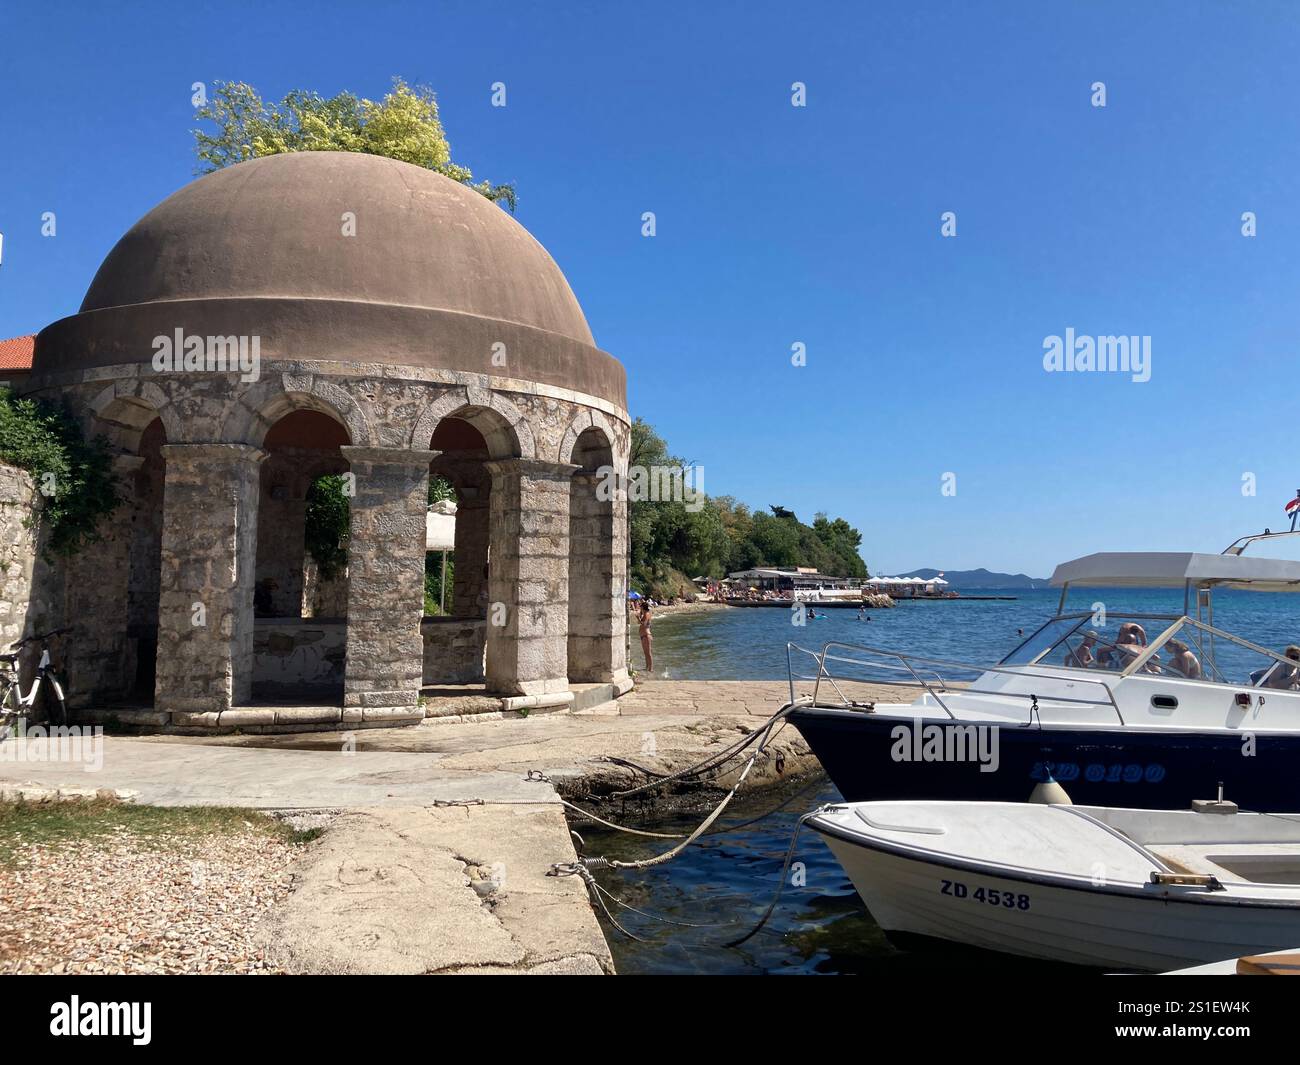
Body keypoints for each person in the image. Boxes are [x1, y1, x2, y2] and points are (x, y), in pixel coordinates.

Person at [637, 601, 654, 673]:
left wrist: (638, 618)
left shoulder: (647, 614)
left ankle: (651, 669)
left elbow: (644, 624)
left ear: (642, 607)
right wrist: (639, 617)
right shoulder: (646, 614)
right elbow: (641, 623)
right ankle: (647, 667)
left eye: (640, 607)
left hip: (646, 635)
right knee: (646, 653)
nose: (640, 609)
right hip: (644, 635)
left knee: (648, 653)